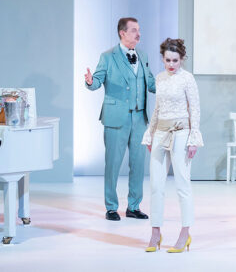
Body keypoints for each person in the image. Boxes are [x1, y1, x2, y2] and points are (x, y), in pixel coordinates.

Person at [85, 17, 157, 221]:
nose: (138, 34)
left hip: (140, 118)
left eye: (139, 30)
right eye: (134, 30)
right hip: (116, 118)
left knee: (138, 164)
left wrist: (170, 85)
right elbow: (96, 81)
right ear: (122, 33)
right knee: (113, 164)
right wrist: (90, 81)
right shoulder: (108, 56)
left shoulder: (143, 55)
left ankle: (134, 206)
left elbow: (151, 83)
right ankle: (111, 207)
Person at [142, 38, 203, 253]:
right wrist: (150, 134)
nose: (171, 64)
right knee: (156, 185)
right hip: (160, 133)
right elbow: (157, 109)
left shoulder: (187, 79)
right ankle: (155, 233)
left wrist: (193, 138)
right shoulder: (160, 78)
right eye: (167, 60)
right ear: (163, 58)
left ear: (182, 59)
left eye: (175, 60)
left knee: (182, 184)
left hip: (181, 133)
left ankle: (185, 233)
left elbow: (194, 109)